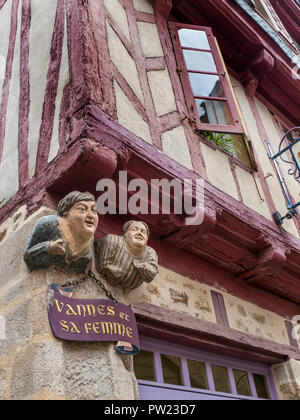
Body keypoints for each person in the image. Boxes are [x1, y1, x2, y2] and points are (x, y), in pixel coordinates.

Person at [24, 191, 98, 274]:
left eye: (94, 211)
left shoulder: (90, 238)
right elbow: (28, 258)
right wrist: (49, 248)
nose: (91, 215)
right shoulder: (49, 223)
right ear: (66, 211)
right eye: (82, 209)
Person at [95, 220, 158, 290]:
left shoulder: (150, 252)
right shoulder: (113, 240)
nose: (139, 233)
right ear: (125, 234)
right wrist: (108, 269)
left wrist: (146, 267)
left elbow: (150, 276)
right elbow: (104, 265)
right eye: (134, 229)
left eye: (143, 232)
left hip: (130, 286)